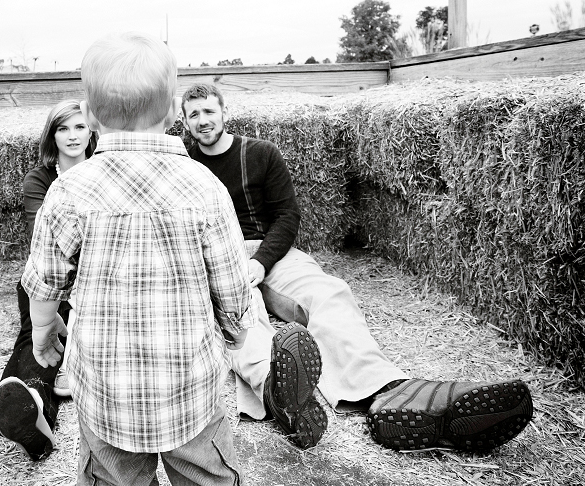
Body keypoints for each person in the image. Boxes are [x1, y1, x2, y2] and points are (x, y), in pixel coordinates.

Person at [180, 82, 535, 452]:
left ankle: (386, 390)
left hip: (270, 251)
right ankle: (281, 392)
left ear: (223, 111)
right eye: (194, 115)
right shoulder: (185, 167)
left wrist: (260, 262)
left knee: (330, 293)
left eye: (209, 111)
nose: (203, 120)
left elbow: (287, 216)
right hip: (219, 257)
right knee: (239, 323)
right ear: (184, 123)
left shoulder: (261, 153)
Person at [22, 33, 255, 485]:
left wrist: (42, 330)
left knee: (111, 479)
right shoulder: (205, 187)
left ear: (89, 117)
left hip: (106, 392)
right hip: (190, 387)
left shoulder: (69, 190)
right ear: (173, 111)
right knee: (207, 477)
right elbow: (230, 284)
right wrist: (236, 333)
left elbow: (46, 281)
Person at [0, 99, 98, 461]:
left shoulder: (102, 170)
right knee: (37, 331)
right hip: (46, 275)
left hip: (91, 277)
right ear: (52, 135)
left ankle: (20, 410)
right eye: (63, 128)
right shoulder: (41, 179)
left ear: (92, 129)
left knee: (43, 335)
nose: (73, 135)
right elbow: (41, 244)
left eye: (79, 126)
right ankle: (34, 405)